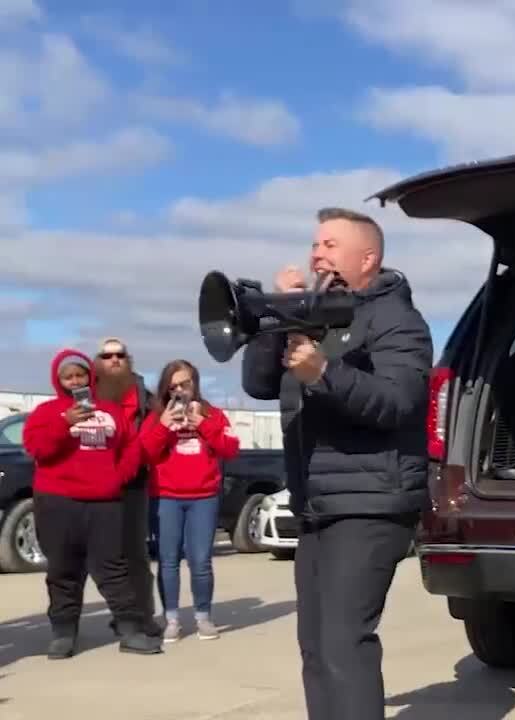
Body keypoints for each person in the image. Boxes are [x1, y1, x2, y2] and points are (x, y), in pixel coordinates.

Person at [241, 207, 432, 720]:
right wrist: (274, 316)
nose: (316, 252)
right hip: (318, 501)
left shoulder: (397, 319)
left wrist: (323, 372)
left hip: (371, 503)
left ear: (367, 257)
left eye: (329, 244)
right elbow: (258, 384)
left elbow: (399, 400)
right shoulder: (312, 314)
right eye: (315, 243)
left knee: (345, 643)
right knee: (317, 646)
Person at [22, 349, 163, 658]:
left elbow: (131, 448)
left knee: (113, 568)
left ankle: (130, 630)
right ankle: (63, 634)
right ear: (58, 381)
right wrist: (64, 422)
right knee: (63, 569)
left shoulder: (110, 411)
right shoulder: (47, 412)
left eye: (80, 375)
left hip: (104, 503)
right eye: (68, 377)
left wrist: (116, 478)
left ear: (90, 376)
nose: (75, 381)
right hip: (57, 502)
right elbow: (38, 449)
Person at [139, 359, 241, 643]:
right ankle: (171, 618)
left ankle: (203, 617)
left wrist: (204, 425)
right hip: (167, 497)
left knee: (201, 561)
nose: (180, 390)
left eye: (185, 383)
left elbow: (231, 448)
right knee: (168, 561)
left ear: (195, 382)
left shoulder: (212, 414)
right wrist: (163, 426)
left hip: (204, 497)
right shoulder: (157, 415)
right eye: (173, 387)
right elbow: (144, 453)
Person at [95, 336, 162, 637]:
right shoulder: (87, 393)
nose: (114, 360)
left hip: (133, 483)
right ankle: (121, 613)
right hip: (94, 485)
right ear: (98, 361)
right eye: (107, 356)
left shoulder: (144, 397)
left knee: (135, 553)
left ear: (128, 359)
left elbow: (153, 437)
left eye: (119, 355)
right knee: (102, 555)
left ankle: (143, 615)